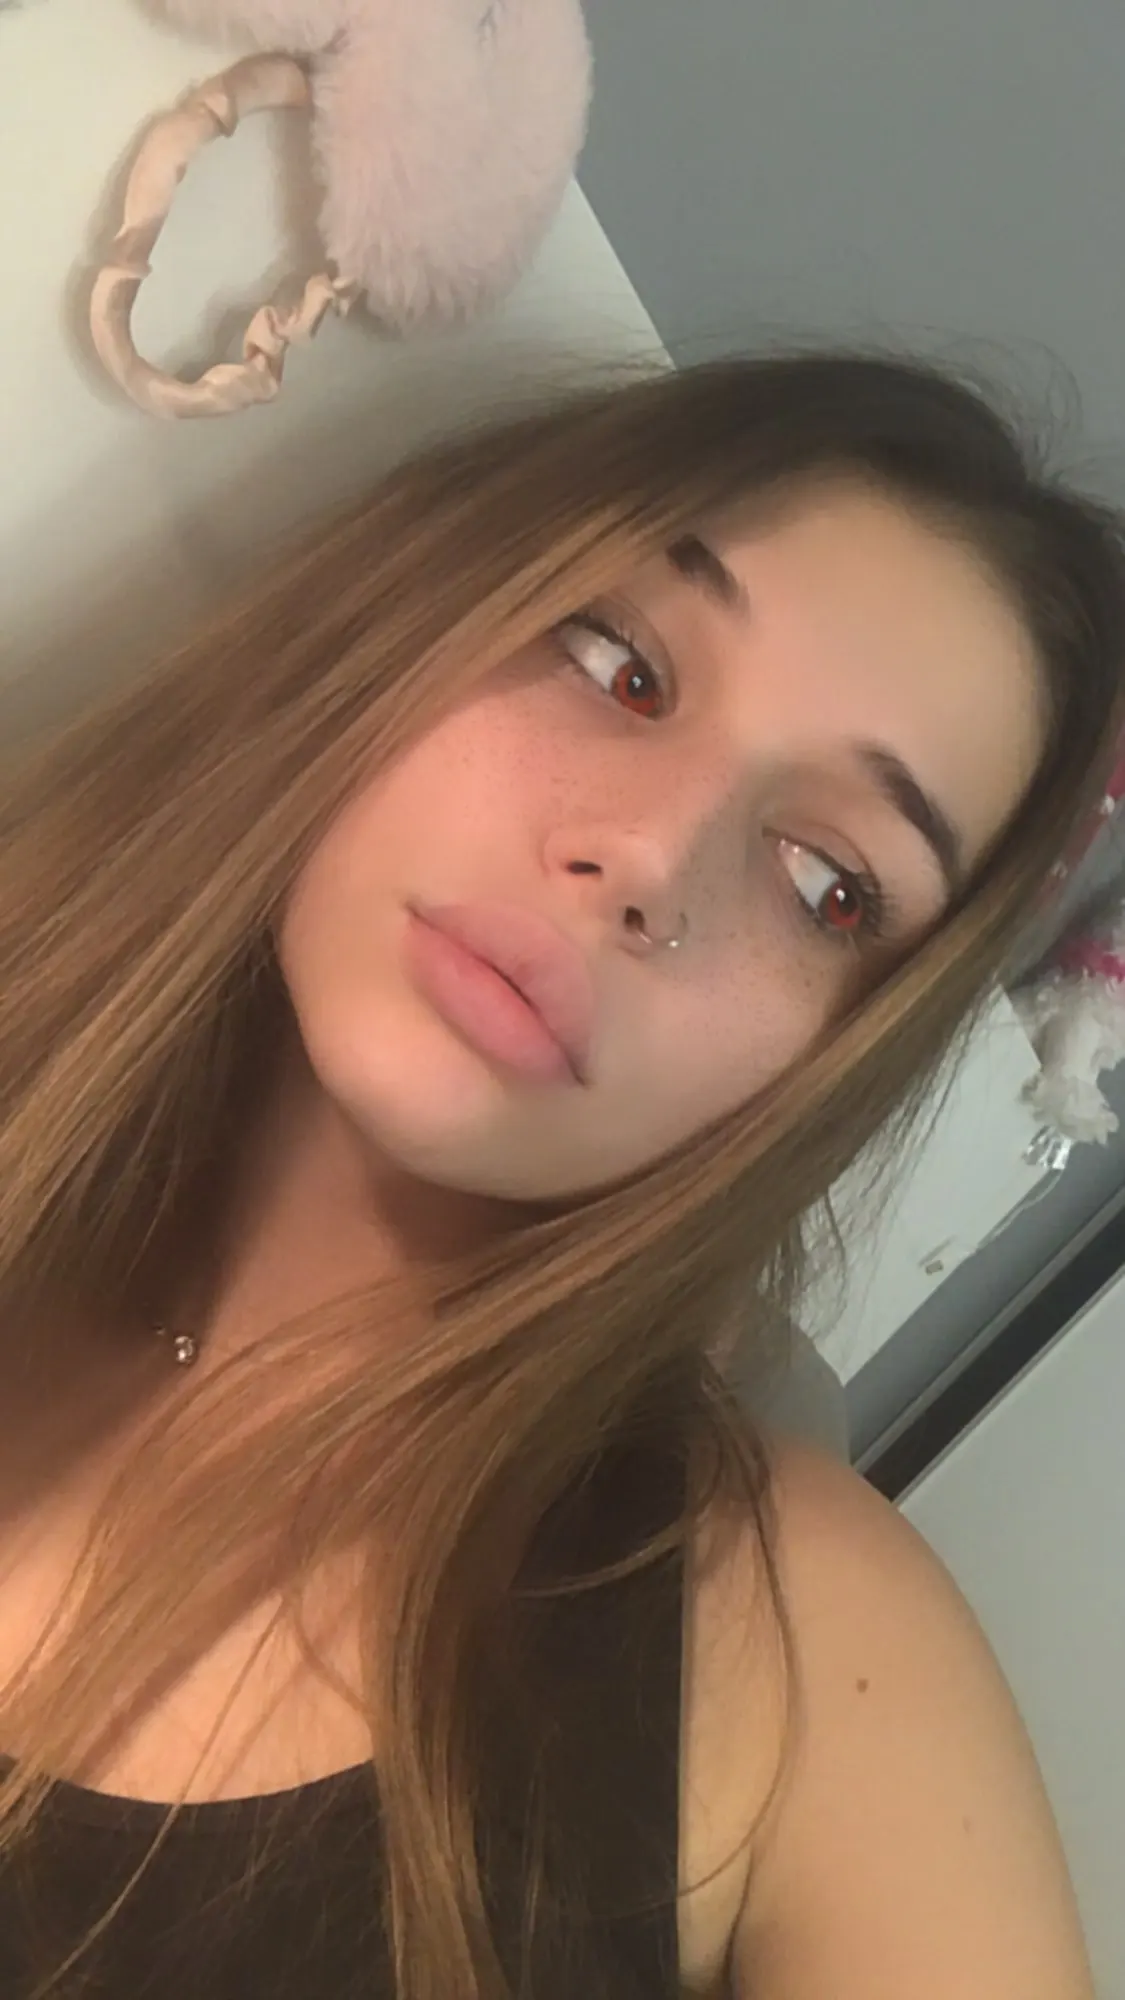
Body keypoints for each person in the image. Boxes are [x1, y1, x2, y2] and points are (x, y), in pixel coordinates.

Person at [0, 351, 1119, 2000]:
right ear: (410, 609)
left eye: (829, 884)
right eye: (620, 667)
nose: (650, 860)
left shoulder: (796, 1651)